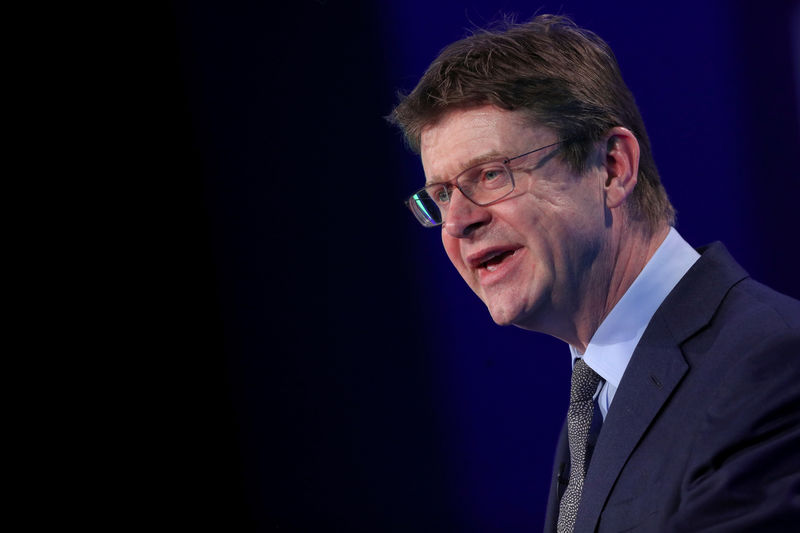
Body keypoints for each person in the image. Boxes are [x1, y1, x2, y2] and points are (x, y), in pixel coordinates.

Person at [388, 14, 800, 533]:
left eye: (491, 175)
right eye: (442, 195)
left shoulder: (770, 366)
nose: (458, 221)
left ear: (612, 167)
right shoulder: (599, 391)